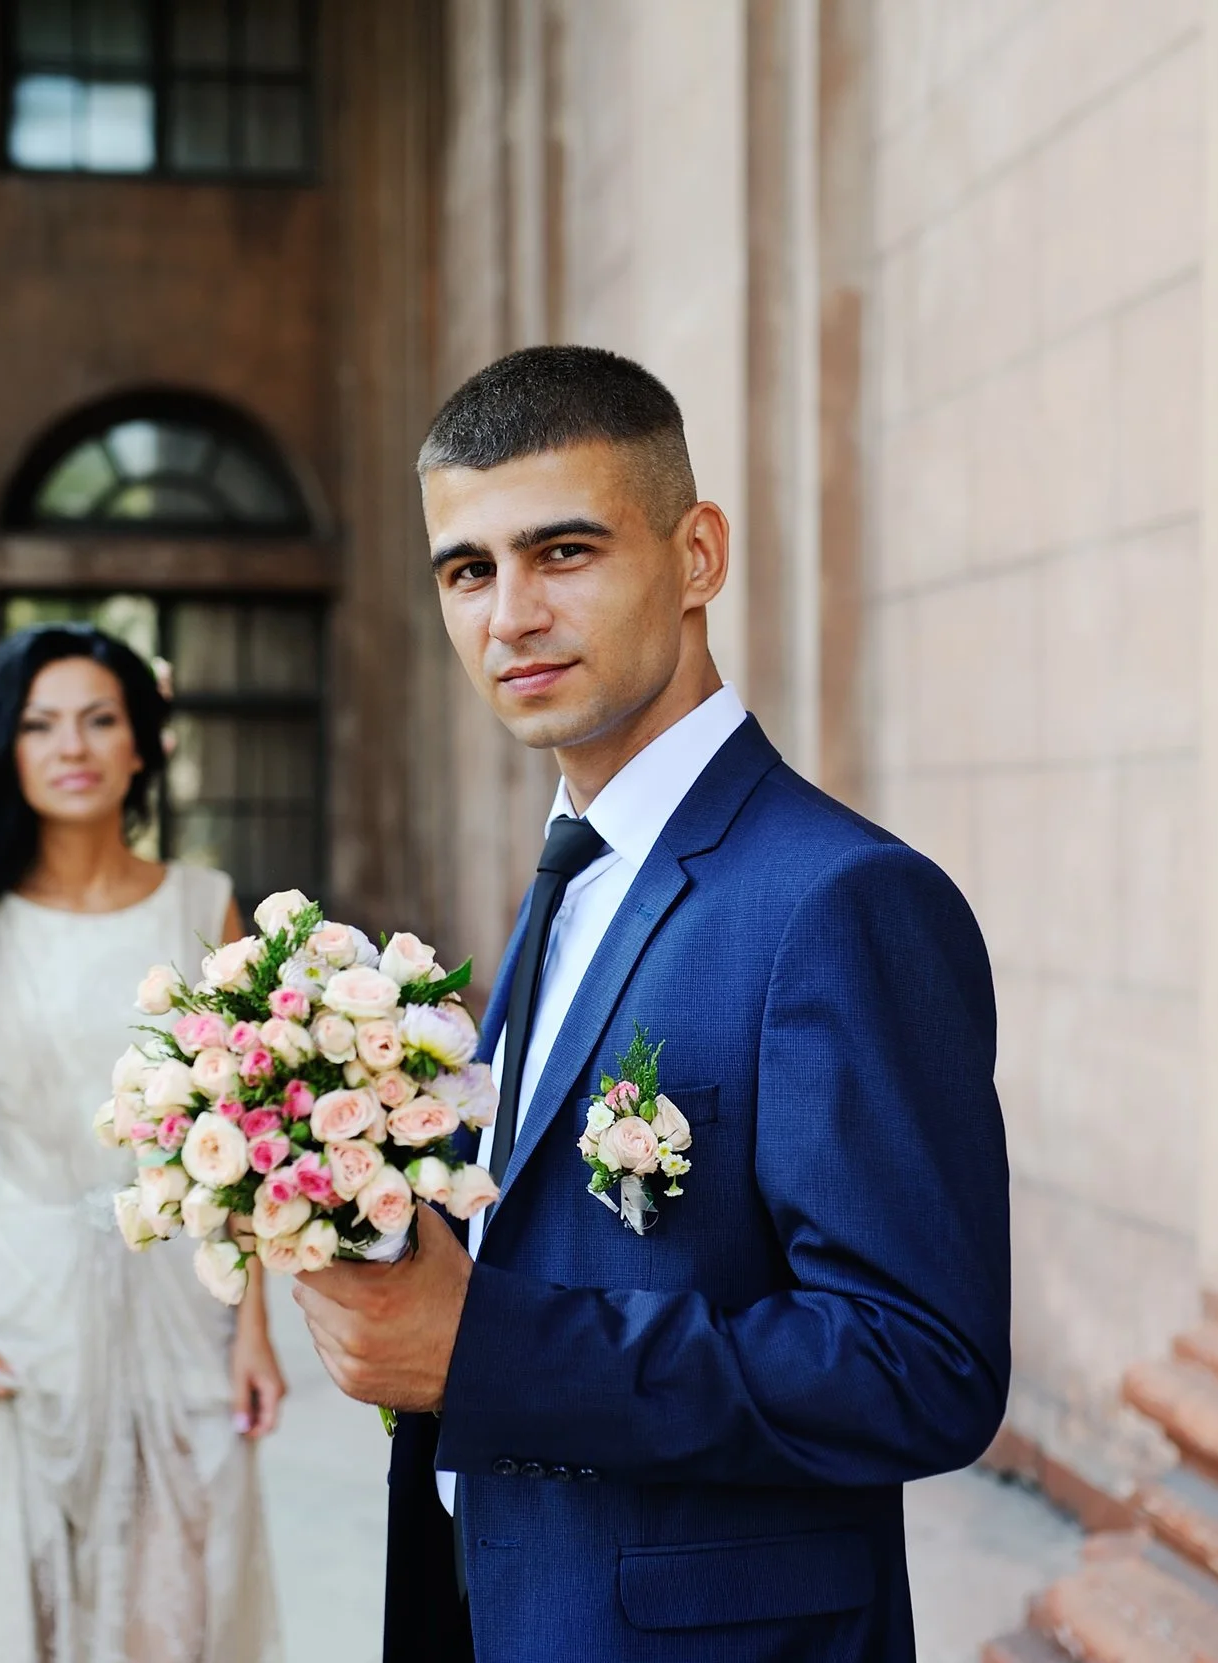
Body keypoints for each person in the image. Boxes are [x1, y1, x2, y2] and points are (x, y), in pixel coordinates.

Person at [292, 345, 1012, 1661]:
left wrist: (486, 1350)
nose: (508, 614)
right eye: (468, 568)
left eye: (563, 551)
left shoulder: (840, 899)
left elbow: (921, 1367)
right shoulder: (573, 870)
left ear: (696, 556)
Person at [0, 625, 286, 1663]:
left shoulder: (204, 907)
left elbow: (237, 1132)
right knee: (18, 1618)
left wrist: (251, 1328)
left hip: (176, 1299)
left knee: (178, 1604)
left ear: (141, 744)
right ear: (4, 751)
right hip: (11, 1297)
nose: (74, 746)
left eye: (101, 719)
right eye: (40, 724)